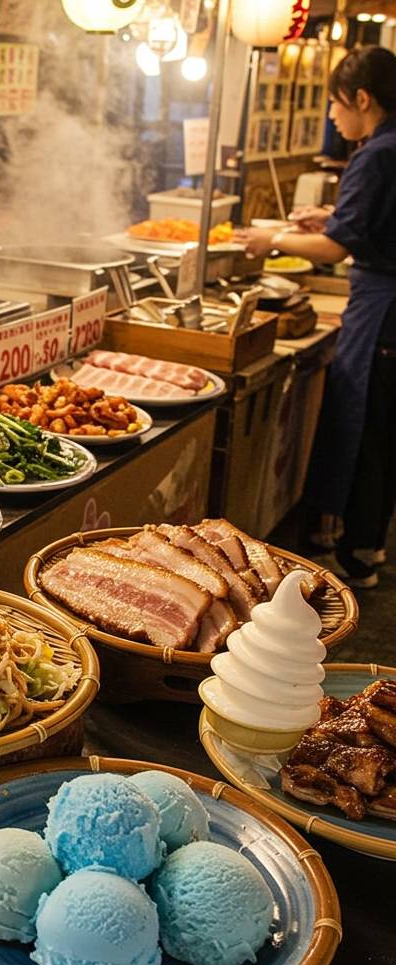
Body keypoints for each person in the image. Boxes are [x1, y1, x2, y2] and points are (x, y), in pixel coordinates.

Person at [238, 46, 396, 589]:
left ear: (361, 98)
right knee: (381, 428)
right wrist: (331, 215)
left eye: (334, 104)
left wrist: (272, 237)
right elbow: (371, 223)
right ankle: (367, 544)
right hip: (386, 304)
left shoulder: (376, 153)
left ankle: (353, 556)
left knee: (364, 425)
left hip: (382, 312)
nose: (332, 116)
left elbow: (332, 250)